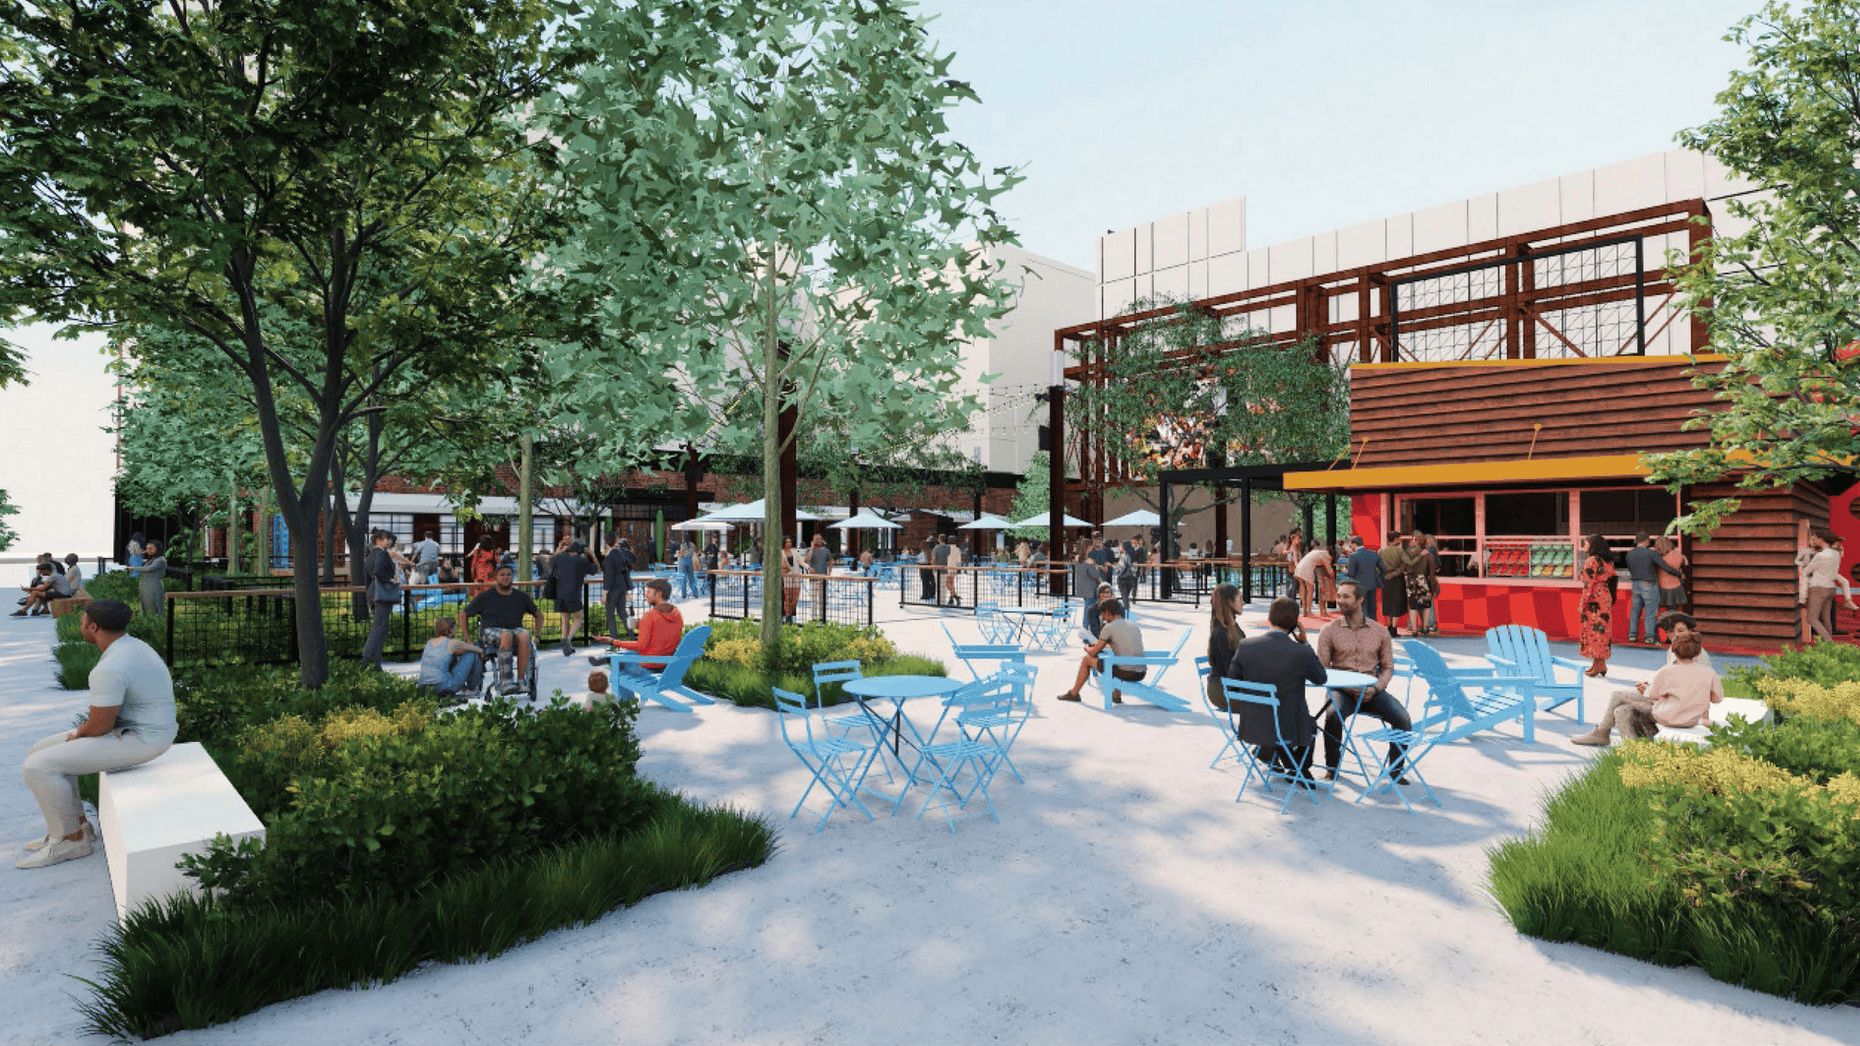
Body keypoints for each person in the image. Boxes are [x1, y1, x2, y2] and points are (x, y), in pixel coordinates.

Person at [18, 600, 175, 869]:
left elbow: (99, 726)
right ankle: (79, 827)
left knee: (37, 766)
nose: (80, 625)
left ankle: (70, 841)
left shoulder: (111, 667)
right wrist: (77, 735)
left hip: (143, 739)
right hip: (138, 729)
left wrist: (76, 734)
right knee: (39, 751)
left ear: (93, 627)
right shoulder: (132, 645)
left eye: (82, 622)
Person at [1316, 580, 1410, 784]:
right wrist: (1348, 687)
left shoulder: (1380, 631)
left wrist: (1376, 688)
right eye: (1339, 596)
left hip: (1371, 691)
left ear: (1360, 600)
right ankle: (1332, 769)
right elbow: (1322, 670)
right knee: (1332, 716)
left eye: (1346, 596)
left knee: (1403, 718)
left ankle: (1396, 771)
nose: (1340, 600)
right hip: (1341, 690)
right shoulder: (1328, 631)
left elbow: (1387, 667)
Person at [1226, 597, 1327, 777]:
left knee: (1282, 718)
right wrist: (1304, 643)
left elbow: (1232, 685)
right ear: (1295, 624)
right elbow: (1321, 678)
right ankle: (1298, 768)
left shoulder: (1246, 646)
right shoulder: (1301, 652)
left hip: (1252, 724)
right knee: (1310, 723)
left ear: (1269, 618)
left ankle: (1269, 753)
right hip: (1288, 727)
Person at [1572, 633, 1722, 746]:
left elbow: (1652, 695)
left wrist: (1646, 688)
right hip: (1690, 719)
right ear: (1697, 652)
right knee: (1621, 710)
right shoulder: (1709, 672)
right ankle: (1630, 747)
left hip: (1667, 716)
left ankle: (1605, 735)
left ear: (1674, 650)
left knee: (1618, 697)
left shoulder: (1667, 671)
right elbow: (1717, 699)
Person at [458, 563, 543, 695]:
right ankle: (505, 683)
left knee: (524, 635)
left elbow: (538, 614)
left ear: (512, 577)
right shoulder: (486, 596)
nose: (506, 577)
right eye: (502, 574)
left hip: (514, 631)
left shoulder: (521, 596)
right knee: (506, 634)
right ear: (496, 577)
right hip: (490, 632)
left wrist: (537, 635)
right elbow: (463, 614)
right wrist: (467, 639)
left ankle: (521, 681)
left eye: (509, 574)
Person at [591, 578, 684, 693]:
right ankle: (607, 657)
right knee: (624, 654)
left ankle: (626, 702)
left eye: (649, 592)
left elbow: (640, 646)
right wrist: (640, 625)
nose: (646, 595)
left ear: (659, 594)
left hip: (648, 668)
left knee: (618, 665)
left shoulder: (650, 615)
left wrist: (612, 641)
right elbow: (662, 630)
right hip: (667, 666)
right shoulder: (676, 613)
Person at [1054, 599, 1143, 703]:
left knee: (1086, 660)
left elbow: (1093, 652)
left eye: (1104, 615)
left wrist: (1087, 648)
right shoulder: (1133, 625)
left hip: (1126, 673)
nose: (1104, 618)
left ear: (1108, 612)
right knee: (1115, 660)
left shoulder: (1109, 627)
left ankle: (1074, 693)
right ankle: (1116, 694)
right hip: (1140, 672)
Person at [1623, 531, 1683, 643]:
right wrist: (1679, 574)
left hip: (1635, 584)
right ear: (1647, 540)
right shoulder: (1651, 553)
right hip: (1648, 584)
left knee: (1635, 611)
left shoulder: (1629, 554)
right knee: (1650, 612)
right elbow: (1665, 567)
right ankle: (1649, 637)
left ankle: (1632, 635)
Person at [1800, 529, 1855, 642]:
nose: (1815, 540)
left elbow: (1806, 571)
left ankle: (1829, 642)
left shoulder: (1820, 555)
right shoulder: (1836, 554)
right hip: (1830, 588)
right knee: (1826, 619)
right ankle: (1827, 645)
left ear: (1821, 539)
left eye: (1816, 538)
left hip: (1818, 588)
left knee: (1811, 619)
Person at [415, 618, 484, 702]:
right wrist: (482, 653)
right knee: (472, 654)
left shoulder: (429, 642)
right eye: (455, 627)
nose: (457, 629)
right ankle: (472, 689)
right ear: (450, 629)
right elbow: (476, 649)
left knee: (451, 659)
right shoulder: (453, 642)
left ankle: (463, 689)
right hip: (443, 688)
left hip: (424, 689)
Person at [360, 529, 400, 669]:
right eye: (388, 539)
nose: (390, 542)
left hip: (372, 594)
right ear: (380, 539)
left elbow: (368, 577)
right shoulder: (383, 554)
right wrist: (391, 580)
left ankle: (375, 664)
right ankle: (366, 661)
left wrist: (369, 593)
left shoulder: (370, 555)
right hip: (382, 595)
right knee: (380, 628)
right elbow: (378, 572)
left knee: (380, 627)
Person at [551, 539, 598, 657]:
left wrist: (559, 548)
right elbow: (597, 569)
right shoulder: (581, 560)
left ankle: (566, 642)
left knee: (565, 617)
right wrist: (592, 555)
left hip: (560, 593)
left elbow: (551, 562)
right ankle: (567, 640)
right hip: (574, 593)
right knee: (578, 619)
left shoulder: (560, 558)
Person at [1205, 583, 1247, 712]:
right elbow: (1230, 669)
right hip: (1222, 691)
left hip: (1232, 685)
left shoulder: (1233, 628)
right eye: (1240, 599)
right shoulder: (1221, 633)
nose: (1243, 603)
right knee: (1272, 702)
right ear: (1230, 602)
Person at [1579, 533, 1616, 676]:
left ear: (1593, 545)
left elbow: (1588, 584)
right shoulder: (1608, 561)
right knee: (1602, 631)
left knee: (1594, 632)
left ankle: (1599, 665)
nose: (1584, 545)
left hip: (1594, 599)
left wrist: (1583, 603)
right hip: (1605, 597)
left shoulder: (1592, 560)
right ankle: (1599, 664)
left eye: (1586, 543)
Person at [600, 536, 636, 644]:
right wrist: (626, 591)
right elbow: (629, 568)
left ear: (606, 544)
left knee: (610, 614)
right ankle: (632, 636)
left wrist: (604, 593)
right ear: (616, 542)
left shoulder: (609, 558)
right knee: (622, 612)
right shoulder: (621, 555)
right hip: (622, 587)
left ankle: (614, 639)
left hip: (612, 589)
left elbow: (608, 577)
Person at [1379, 530, 1411, 638]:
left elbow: (1378, 566)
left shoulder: (1381, 551)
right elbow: (1408, 562)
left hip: (1386, 579)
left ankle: (1388, 627)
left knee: (1388, 602)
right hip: (1397, 579)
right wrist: (1401, 569)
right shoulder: (1399, 550)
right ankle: (1394, 628)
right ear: (1396, 539)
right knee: (1397, 603)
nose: (1400, 540)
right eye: (1399, 538)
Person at [1403, 530, 1435, 637]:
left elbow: (1406, 569)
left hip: (1411, 582)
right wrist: (1432, 588)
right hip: (1423, 581)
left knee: (1413, 606)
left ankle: (1414, 629)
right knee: (1426, 606)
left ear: (1415, 542)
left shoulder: (1408, 554)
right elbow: (1431, 572)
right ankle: (1425, 628)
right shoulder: (1429, 555)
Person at [127, 540, 167, 617]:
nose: (149, 550)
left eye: (152, 548)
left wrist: (133, 568)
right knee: (145, 604)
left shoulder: (160, 560)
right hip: (146, 586)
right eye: (147, 548)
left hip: (153, 586)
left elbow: (149, 569)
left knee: (154, 604)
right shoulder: (150, 560)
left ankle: (155, 620)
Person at [1654, 535, 1688, 622]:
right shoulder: (1679, 556)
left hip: (1662, 588)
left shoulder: (1659, 559)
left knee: (1657, 615)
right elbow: (1686, 564)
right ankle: (1672, 629)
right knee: (1673, 613)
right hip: (1677, 587)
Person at [1293, 542, 1331, 619]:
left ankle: (1304, 611)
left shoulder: (1316, 552)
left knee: (1302, 587)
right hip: (1307, 568)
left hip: (1300, 567)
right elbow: (1329, 568)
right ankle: (1309, 611)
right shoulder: (1325, 554)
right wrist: (1331, 575)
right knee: (1310, 590)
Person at [779, 536, 803, 624]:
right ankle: (788, 616)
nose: (789, 543)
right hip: (786, 577)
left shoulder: (794, 551)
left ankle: (790, 614)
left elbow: (800, 561)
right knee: (787, 598)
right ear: (784, 543)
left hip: (796, 576)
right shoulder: (780, 553)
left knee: (795, 598)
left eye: (790, 542)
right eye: (787, 542)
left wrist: (808, 567)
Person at [1115, 539, 1139, 616]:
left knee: (1125, 599)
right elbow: (1135, 568)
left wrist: (1116, 570)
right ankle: (1126, 612)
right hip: (1131, 579)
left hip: (1123, 579)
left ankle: (1126, 614)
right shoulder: (1134, 555)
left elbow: (1120, 568)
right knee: (1126, 597)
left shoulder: (1124, 556)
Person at [942, 533, 963, 606]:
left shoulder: (946, 548)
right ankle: (952, 598)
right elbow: (959, 560)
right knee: (951, 583)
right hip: (953, 568)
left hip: (947, 568)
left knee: (947, 584)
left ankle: (955, 597)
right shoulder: (957, 549)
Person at [919, 535, 939, 601]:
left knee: (925, 582)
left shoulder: (923, 552)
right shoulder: (929, 551)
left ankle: (925, 594)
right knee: (930, 581)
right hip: (928, 566)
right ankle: (931, 593)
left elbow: (921, 560)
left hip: (923, 567)